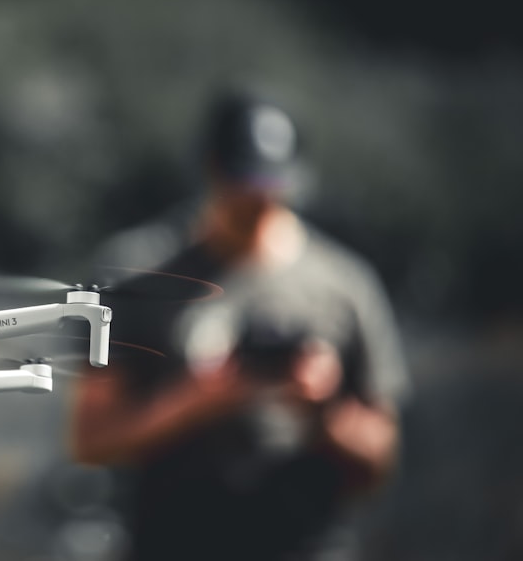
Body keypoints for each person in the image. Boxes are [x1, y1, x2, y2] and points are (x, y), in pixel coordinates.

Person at [69, 89, 410, 561]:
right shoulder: (135, 274)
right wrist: (193, 402)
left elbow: (379, 462)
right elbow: (92, 439)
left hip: (304, 542)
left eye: (270, 186)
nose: (257, 202)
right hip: (172, 539)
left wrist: (322, 409)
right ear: (212, 170)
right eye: (244, 185)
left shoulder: (346, 286)